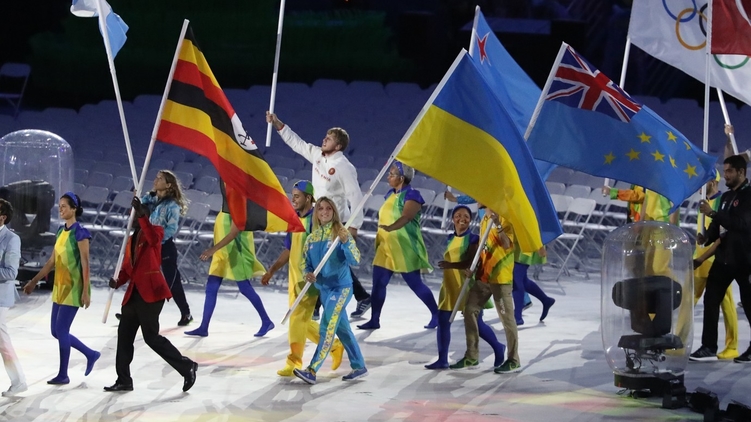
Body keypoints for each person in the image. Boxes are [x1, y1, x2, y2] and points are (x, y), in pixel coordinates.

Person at [266, 112, 372, 318]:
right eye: (325, 136)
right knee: (322, 259)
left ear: (338, 146)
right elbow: (297, 143)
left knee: (325, 261)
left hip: (335, 220)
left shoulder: (344, 167)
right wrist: (278, 124)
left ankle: (315, 307)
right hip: (317, 216)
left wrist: (354, 227)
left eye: (329, 138)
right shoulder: (317, 155)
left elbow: (355, 196)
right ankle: (361, 297)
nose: (324, 140)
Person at [104, 197, 198, 392]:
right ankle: (124, 379)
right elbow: (128, 268)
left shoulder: (156, 231)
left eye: (136, 215)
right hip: (133, 294)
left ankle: (186, 366)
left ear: (143, 216)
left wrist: (142, 216)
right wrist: (117, 281)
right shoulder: (131, 240)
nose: (133, 219)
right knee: (124, 337)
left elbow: (154, 239)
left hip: (151, 294)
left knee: (151, 338)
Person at [261, 181, 344, 376]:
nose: (293, 199)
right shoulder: (294, 220)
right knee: (300, 319)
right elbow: (289, 250)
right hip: (294, 278)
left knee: (297, 318)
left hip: (310, 279)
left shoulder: (316, 221)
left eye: (297, 196)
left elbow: (325, 249)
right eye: (293, 196)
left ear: (308, 198)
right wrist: (272, 270)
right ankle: (334, 345)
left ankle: (293, 362)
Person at [23, 192, 100, 385]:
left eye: (64, 206)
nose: (61, 209)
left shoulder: (80, 233)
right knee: (56, 331)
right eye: (60, 206)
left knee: (61, 329)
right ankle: (90, 354)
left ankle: (63, 374)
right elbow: (51, 262)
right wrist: (34, 281)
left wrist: (86, 291)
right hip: (60, 286)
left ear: (74, 209)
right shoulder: (60, 231)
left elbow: (85, 264)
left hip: (74, 287)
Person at [293, 197, 367, 384]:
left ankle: (312, 370)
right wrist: (307, 274)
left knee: (326, 326)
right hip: (324, 290)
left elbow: (355, 259)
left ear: (334, 212)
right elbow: (305, 263)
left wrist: (346, 242)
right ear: (316, 213)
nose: (324, 212)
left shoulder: (340, 233)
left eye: (328, 208)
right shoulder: (312, 238)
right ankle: (359, 366)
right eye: (320, 209)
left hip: (341, 288)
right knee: (342, 329)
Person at [185, 183, 274, 338]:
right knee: (211, 288)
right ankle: (204, 327)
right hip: (222, 255)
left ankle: (266, 321)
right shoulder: (225, 208)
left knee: (245, 288)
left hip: (236, 254)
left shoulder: (239, 208)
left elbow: (233, 234)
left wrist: (212, 249)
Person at [357, 162, 438, 330]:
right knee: (378, 283)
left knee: (415, 283)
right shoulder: (390, 194)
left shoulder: (412, 195)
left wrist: (391, 228)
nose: (388, 177)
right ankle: (374, 320)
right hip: (386, 246)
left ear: (402, 178)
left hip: (404, 246)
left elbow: (407, 217)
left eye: (392, 174)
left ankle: (437, 315)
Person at [426, 205, 505, 370]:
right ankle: (442, 359)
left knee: (476, 323)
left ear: (470, 220)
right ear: (452, 219)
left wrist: (451, 265)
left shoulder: (474, 239)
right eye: (458, 215)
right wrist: (450, 267)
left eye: (466, 216)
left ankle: (498, 347)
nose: (462, 219)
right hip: (450, 285)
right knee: (443, 321)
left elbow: (470, 262)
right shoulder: (450, 238)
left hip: (468, 286)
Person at [690, 155, 751, 363]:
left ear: (741, 172)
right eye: (724, 171)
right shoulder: (725, 197)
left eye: (729, 171)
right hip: (724, 258)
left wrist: (713, 214)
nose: (726, 176)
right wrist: (706, 237)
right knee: (711, 299)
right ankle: (708, 347)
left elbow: (741, 224)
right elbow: (719, 227)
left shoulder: (749, 196)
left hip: (744, 260)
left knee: (749, 304)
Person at [452, 205, 520, 373]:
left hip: (500, 278)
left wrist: (497, 224)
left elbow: (507, 245)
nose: (478, 201)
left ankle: (513, 359)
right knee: (469, 310)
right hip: (483, 277)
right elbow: (484, 247)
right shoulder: (484, 218)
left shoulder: (506, 217)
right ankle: (471, 356)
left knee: (507, 319)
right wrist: (474, 268)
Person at [139, 170, 193, 326]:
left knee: (171, 282)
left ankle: (185, 312)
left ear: (168, 185)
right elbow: (140, 207)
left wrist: (157, 240)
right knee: (141, 278)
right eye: (156, 177)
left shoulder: (172, 206)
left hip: (164, 247)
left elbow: (171, 228)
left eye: (160, 179)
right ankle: (134, 313)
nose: (155, 180)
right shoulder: (151, 199)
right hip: (149, 245)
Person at [0, 199, 27, 396]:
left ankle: (18, 381)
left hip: (1, 297)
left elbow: (10, 272)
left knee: (2, 341)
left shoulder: (11, 239)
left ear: (3, 217)